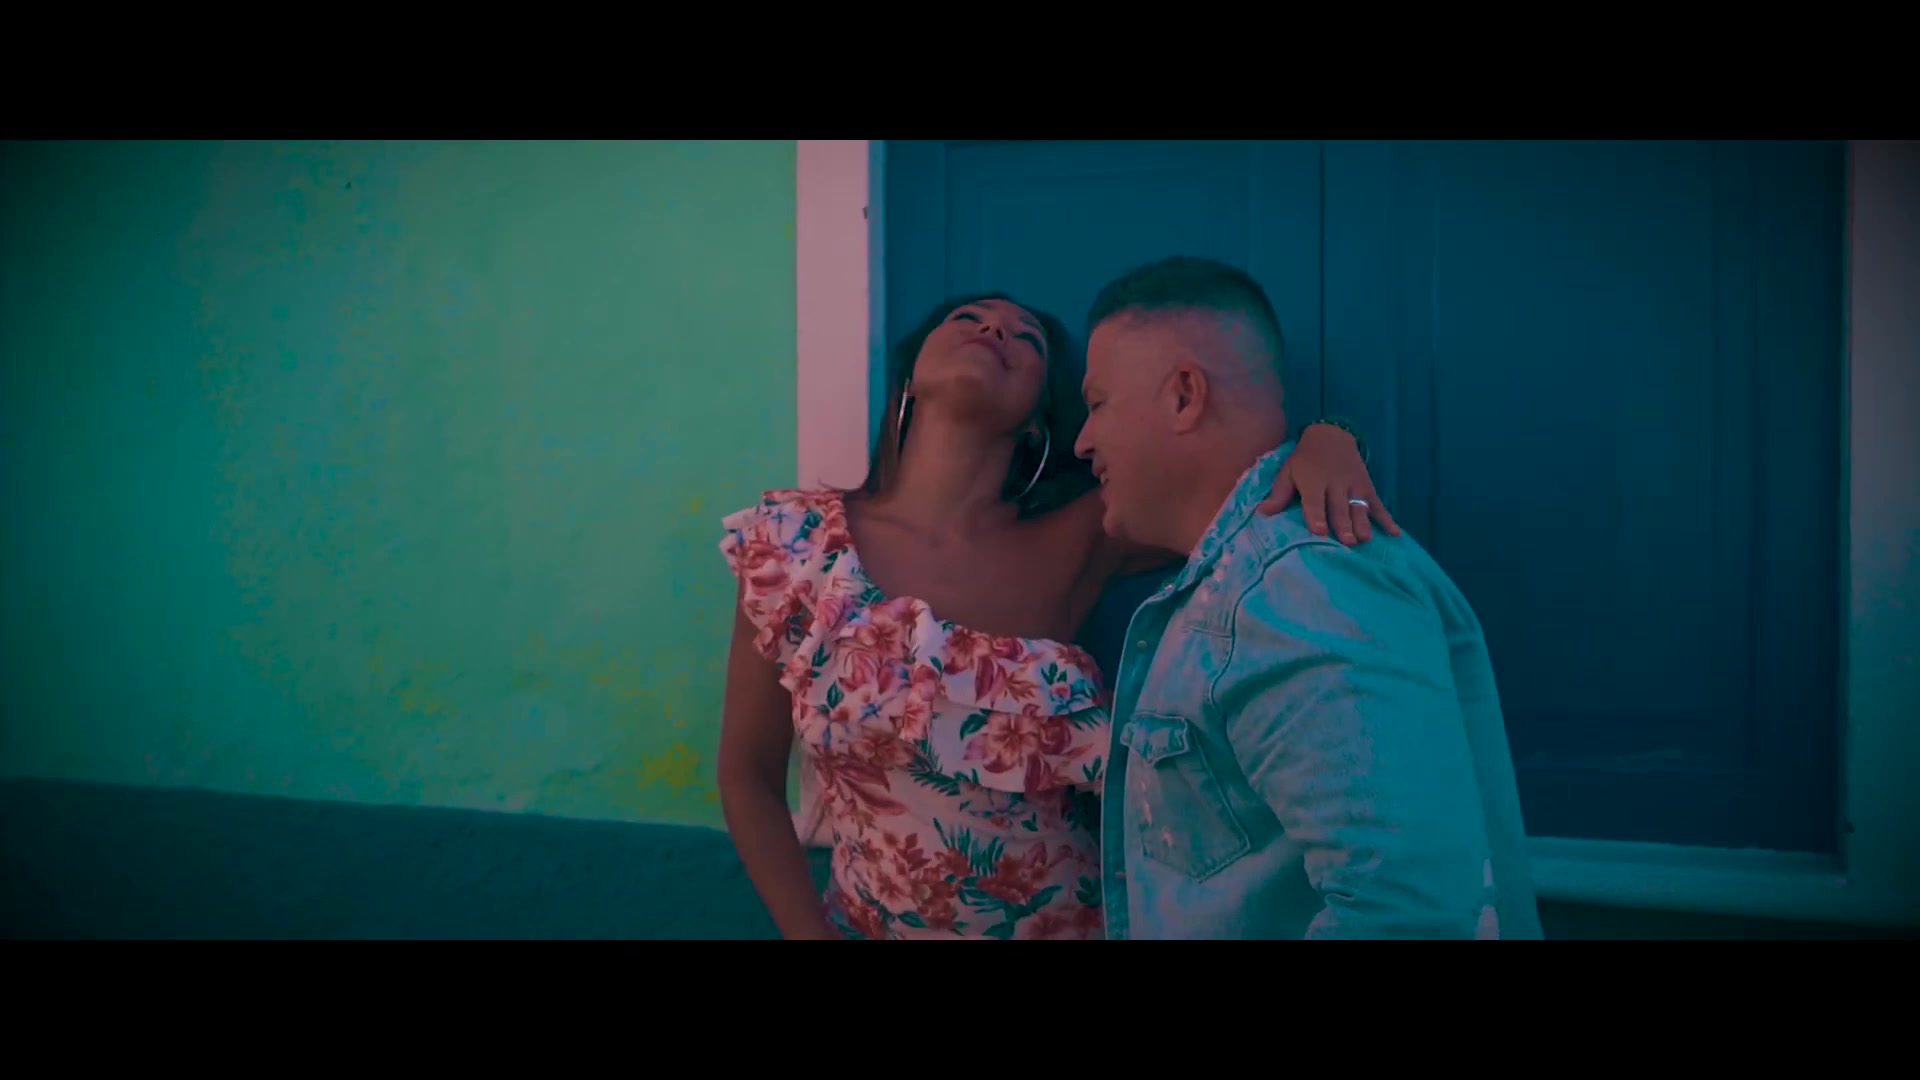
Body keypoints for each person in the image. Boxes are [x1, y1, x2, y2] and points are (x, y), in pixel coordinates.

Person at [716, 290, 1396, 940]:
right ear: (910, 378)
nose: (994, 329)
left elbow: (1242, 485)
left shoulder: (1089, 533)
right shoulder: (796, 545)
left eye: (1027, 338)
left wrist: (1328, 440)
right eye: (968, 317)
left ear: (1041, 419)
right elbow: (747, 774)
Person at [1074, 255, 1543, 939]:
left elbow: (1408, 914)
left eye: (1096, 405)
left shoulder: (1295, 587)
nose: (1083, 441)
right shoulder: (1252, 585)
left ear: (1184, 396)